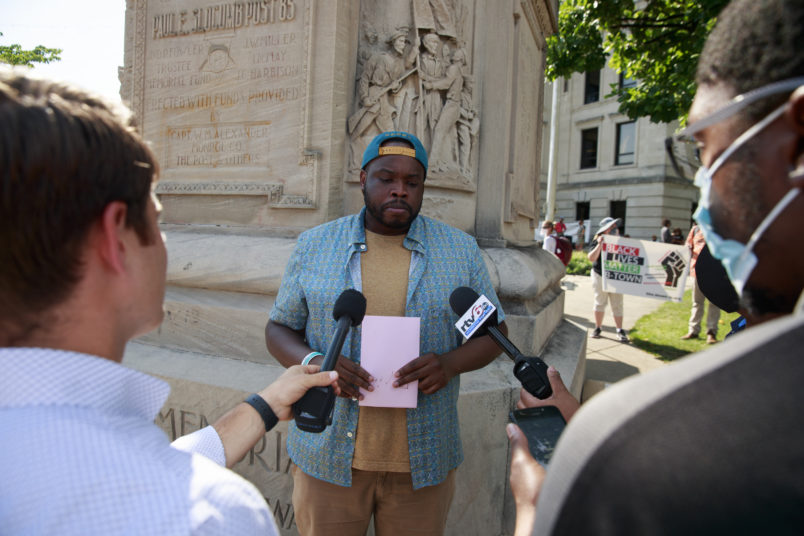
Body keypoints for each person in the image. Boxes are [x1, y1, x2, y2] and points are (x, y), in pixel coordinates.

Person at [507, 0, 804, 533]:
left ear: (798, 141)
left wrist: (539, 512)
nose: (702, 190)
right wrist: (584, 424)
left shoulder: (656, 465)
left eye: (707, 148)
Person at [0, 70, 341, 534]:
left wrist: (264, 405)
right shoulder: (208, 515)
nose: (165, 245)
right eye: (157, 220)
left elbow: (112, 463)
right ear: (114, 239)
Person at [265, 131, 506, 535]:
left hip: (423, 461)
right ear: (363, 179)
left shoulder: (459, 252)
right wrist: (317, 363)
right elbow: (279, 327)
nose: (400, 191)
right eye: (386, 179)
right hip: (329, 457)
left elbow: (493, 334)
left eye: (412, 183)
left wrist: (448, 363)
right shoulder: (316, 245)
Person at [586, 217, 629, 342]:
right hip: (600, 275)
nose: (614, 229)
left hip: (615, 277)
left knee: (617, 304)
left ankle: (620, 330)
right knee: (599, 302)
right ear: (604, 229)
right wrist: (600, 244)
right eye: (611, 227)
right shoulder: (597, 240)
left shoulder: (620, 241)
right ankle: (598, 327)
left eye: (614, 226)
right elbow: (591, 258)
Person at [682, 225, 721, 343]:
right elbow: (687, 247)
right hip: (697, 272)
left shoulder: (720, 228)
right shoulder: (695, 230)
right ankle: (693, 331)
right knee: (697, 303)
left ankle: (711, 332)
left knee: (714, 303)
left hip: (715, 272)